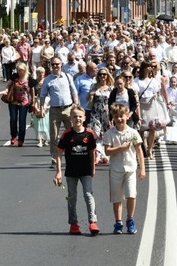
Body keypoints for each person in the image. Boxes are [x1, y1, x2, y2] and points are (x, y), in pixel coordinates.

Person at [53, 106, 99, 236]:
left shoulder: (89, 133)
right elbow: (59, 153)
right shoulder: (67, 134)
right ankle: (74, 224)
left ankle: (93, 222)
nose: (77, 118)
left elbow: (92, 152)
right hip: (71, 172)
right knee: (71, 197)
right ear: (71, 119)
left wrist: (93, 168)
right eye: (74, 116)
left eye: (80, 116)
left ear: (84, 118)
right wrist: (58, 172)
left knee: (88, 195)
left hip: (85, 171)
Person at [103, 104, 146, 235]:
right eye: (116, 117)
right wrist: (120, 148)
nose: (119, 119)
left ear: (127, 116)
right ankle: (118, 222)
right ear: (113, 118)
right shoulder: (110, 133)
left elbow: (139, 151)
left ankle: (130, 219)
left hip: (131, 169)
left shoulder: (132, 133)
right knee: (117, 198)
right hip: (116, 169)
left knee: (131, 195)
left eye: (121, 116)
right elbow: (107, 151)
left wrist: (142, 169)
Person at [40, 57, 79, 165]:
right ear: (50, 66)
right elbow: (43, 95)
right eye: (53, 64)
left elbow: (74, 91)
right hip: (55, 110)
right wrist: (42, 108)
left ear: (61, 64)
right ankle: (54, 157)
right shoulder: (48, 79)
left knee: (72, 133)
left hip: (68, 109)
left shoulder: (67, 76)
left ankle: (73, 154)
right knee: (54, 136)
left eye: (57, 64)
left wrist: (76, 104)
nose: (55, 66)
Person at [86, 67, 115, 164]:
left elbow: (113, 102)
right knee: (96, 134)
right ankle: (97, 155)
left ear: (107, 76)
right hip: (96, 113)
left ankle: (106, 155)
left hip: (107, 114)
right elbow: (87, 99)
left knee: (107, 134)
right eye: (100, 74)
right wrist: (91, 94)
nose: (102, 76)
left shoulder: (111, 88)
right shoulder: (94, 86)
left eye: (104, 74)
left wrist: (112, 116)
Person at [6, 63, 34, 147]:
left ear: (25, 70)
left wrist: (33, 101)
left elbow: (32, 90)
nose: (20, 72)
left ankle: (21, 139)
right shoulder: (14, 76)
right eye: (18, 70)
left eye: (21, 70)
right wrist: (5, 92)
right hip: (13, 101)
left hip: (24, 102)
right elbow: (8, 85)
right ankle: (14, 135)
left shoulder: (29, 78)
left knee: (22, 121)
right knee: (13, 119)